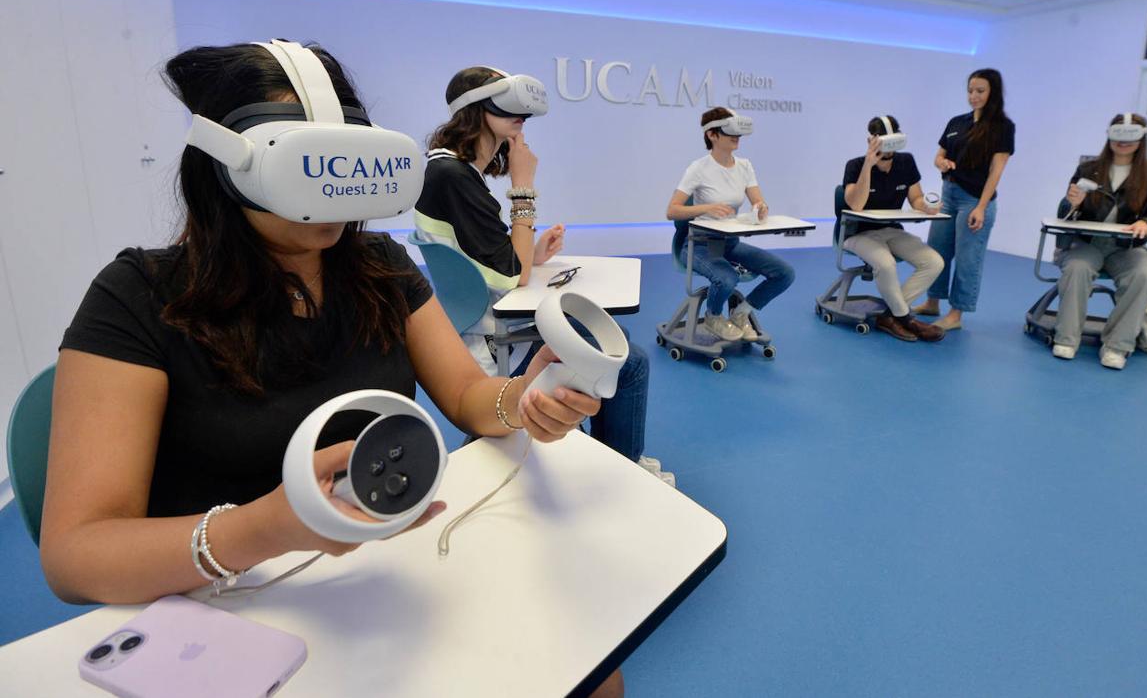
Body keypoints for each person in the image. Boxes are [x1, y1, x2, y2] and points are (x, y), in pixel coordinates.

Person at [39, 43, 602, 608]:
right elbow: (76, 555)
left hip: (384, 572)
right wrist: (266, 528)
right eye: (307, 161)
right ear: (228, 163)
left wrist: (522, 399)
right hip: (224, 601)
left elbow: (463, 393)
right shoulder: (139, 295)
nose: (334, 190)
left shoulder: (381, 267)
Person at [413, 66, 669, 487]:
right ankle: (624, 473)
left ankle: (611, 462)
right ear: (474, 109)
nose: (522, 118)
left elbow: (494, 260)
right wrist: (523, 184)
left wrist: (532, 251)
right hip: (495, 337)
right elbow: (512, 276)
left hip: (488, 319)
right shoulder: (451, 175)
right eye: (511, 107)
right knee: (630, 361)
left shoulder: (456, 173)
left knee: (618, 346)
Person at [666, 107, 795, 342]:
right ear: (712, 135)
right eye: (729, 132)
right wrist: (705, 208)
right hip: (698, 245)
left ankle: (740, 313)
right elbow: (672, 210)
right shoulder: (698, 168)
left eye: (738, 132)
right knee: (727, 278)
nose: (736, 137)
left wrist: (760, 208)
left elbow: (758, 201)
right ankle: (713, 316)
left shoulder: (744, 166)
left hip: (730, 243)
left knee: (784, 273)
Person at [1051, 112, 1147, 369]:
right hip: (1088, 243)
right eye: (1118, 136)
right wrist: (1072, 203)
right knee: (1077, 268)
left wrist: (1146, 222)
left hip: (1126, 247)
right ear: (1109, 135)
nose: (1123, 142)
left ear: (1141, 139)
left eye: (1130, 137)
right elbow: (1065, 215)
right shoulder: (1088, 169)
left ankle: (1117, 346)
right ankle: (1067, 339)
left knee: (1143, 274)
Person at [914, 68, 1014, 331]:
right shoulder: (957, 122)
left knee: (968, 258)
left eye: (980, 91)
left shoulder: (1002, 128)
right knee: (937, 250)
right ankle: (932, 301)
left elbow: (997, 170)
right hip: (948, 195)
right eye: (970, 90)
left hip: (975, 199)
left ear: (993, 92)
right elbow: (938, 156)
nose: (973, 96)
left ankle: (956, 314)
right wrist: (942, 163)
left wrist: (981, 207)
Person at [841, 116, 945, 342]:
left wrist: (925, 207)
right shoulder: (856, 165)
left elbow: (915, 197)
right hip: (858, 233)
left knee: (934, 262)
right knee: (886, 264)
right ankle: (907, 319)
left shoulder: (906, 162)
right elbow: (856, 204)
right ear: (872, 140)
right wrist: (869, 164)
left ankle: (890, 316)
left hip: (892, 231)